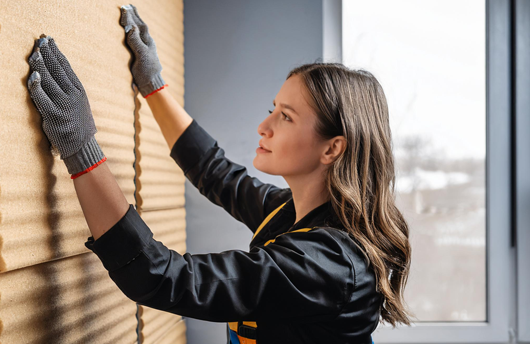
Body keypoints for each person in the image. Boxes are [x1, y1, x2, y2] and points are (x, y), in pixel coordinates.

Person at [25, 4, 413, 343]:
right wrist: (154, 86)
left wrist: (81, 149)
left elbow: (163, 278)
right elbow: (215, 172)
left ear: (332, 148)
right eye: (273, 107)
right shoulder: (292, 212)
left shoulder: (326, 264)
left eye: (286, 117)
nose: (264, 126)